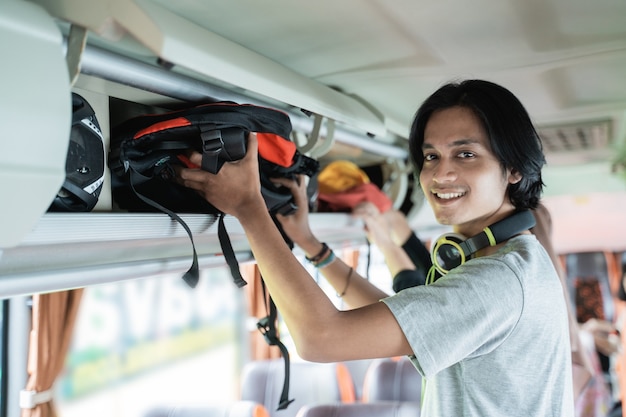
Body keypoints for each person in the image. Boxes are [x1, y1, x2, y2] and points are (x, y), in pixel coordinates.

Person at [179, 79, 574, 416]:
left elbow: (321, 338)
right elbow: (406, 324)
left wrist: (250, 208)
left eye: (465, 154)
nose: (440, 173)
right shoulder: (515, 259)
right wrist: (312, 246)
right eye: (431, 156)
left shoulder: (496, 281)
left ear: (515, 168)